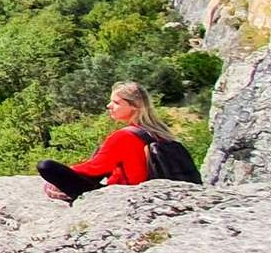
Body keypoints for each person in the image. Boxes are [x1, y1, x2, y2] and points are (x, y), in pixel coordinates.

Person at [38, 81, 175, 202]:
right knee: (101, 151)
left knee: (46, 166)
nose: (109, 106)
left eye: (116, 102)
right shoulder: (160, 132)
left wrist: (68, 172)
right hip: (151, 190)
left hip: (124, 194)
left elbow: (94, 168)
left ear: (134, 106)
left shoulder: (124, 136)